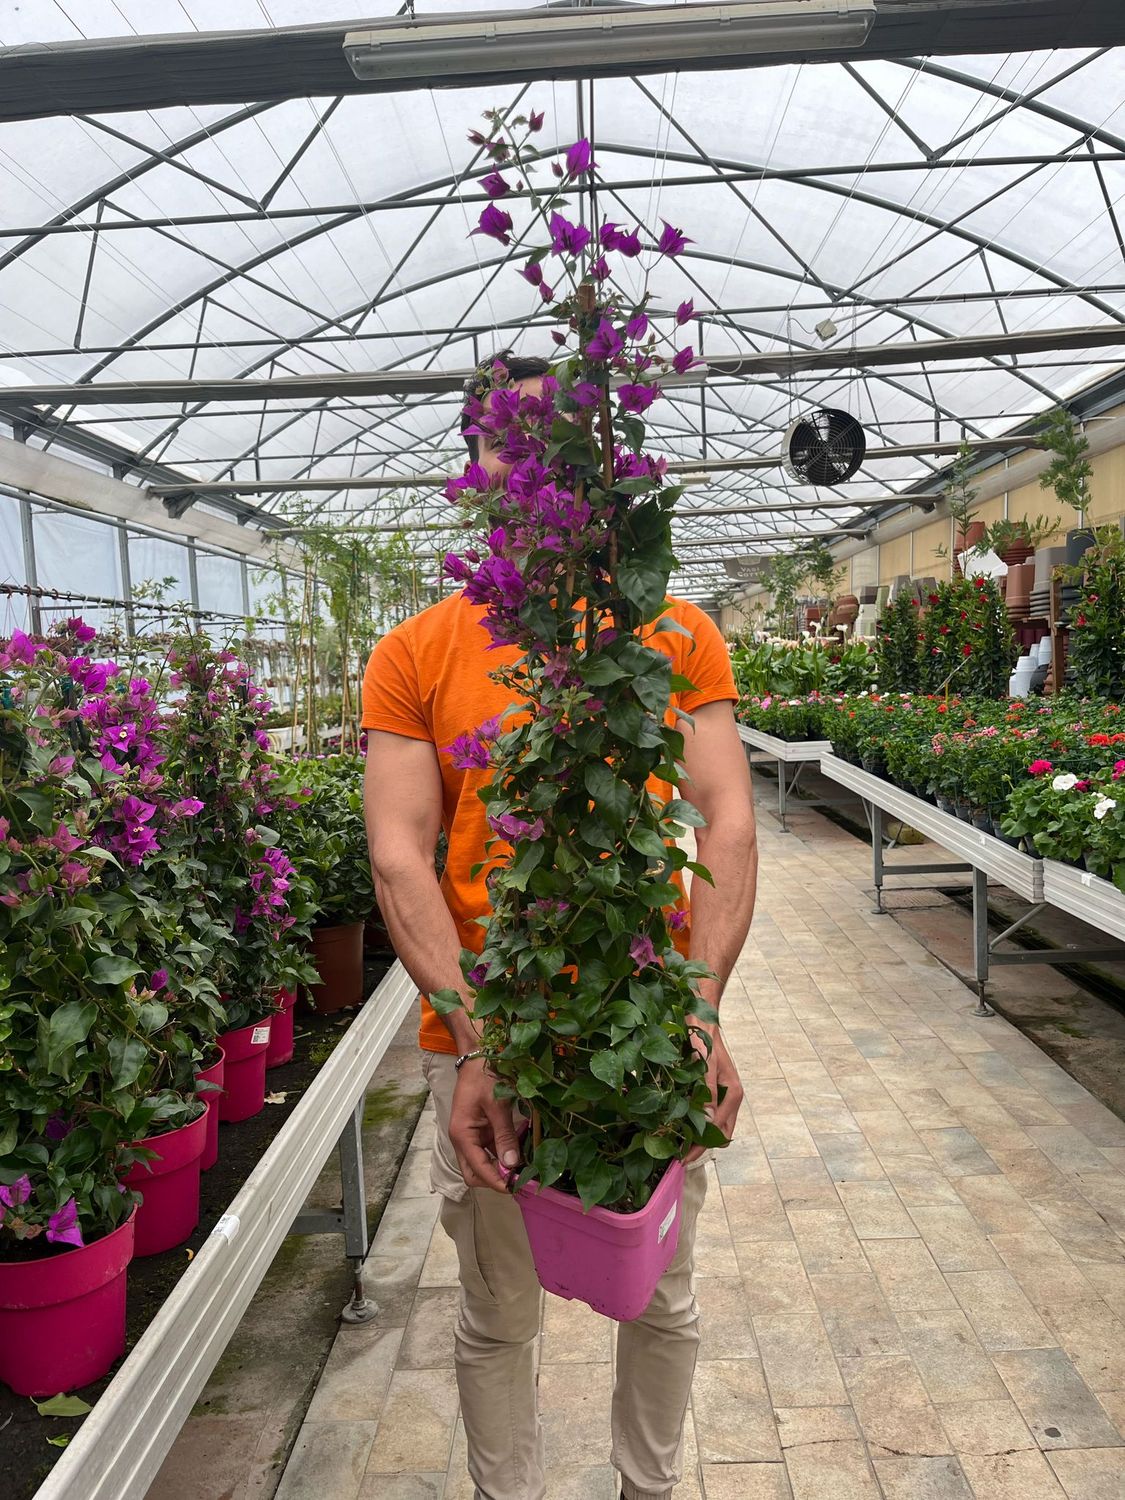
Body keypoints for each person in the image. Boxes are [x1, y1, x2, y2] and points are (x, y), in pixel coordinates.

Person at [362, 351, 758, 1500]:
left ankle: (648, 1488)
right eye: (504, 439)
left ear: (599, 464)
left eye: (557, 437)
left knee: (664, 1294)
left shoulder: (672, 635)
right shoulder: (419, 652)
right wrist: (476, 1036)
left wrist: (696, 1003)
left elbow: (726, 820)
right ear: (476, 467)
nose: (530, 458)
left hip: (642, 1020)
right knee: (497, 1316)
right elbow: (399, 853)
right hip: (493, 1037)